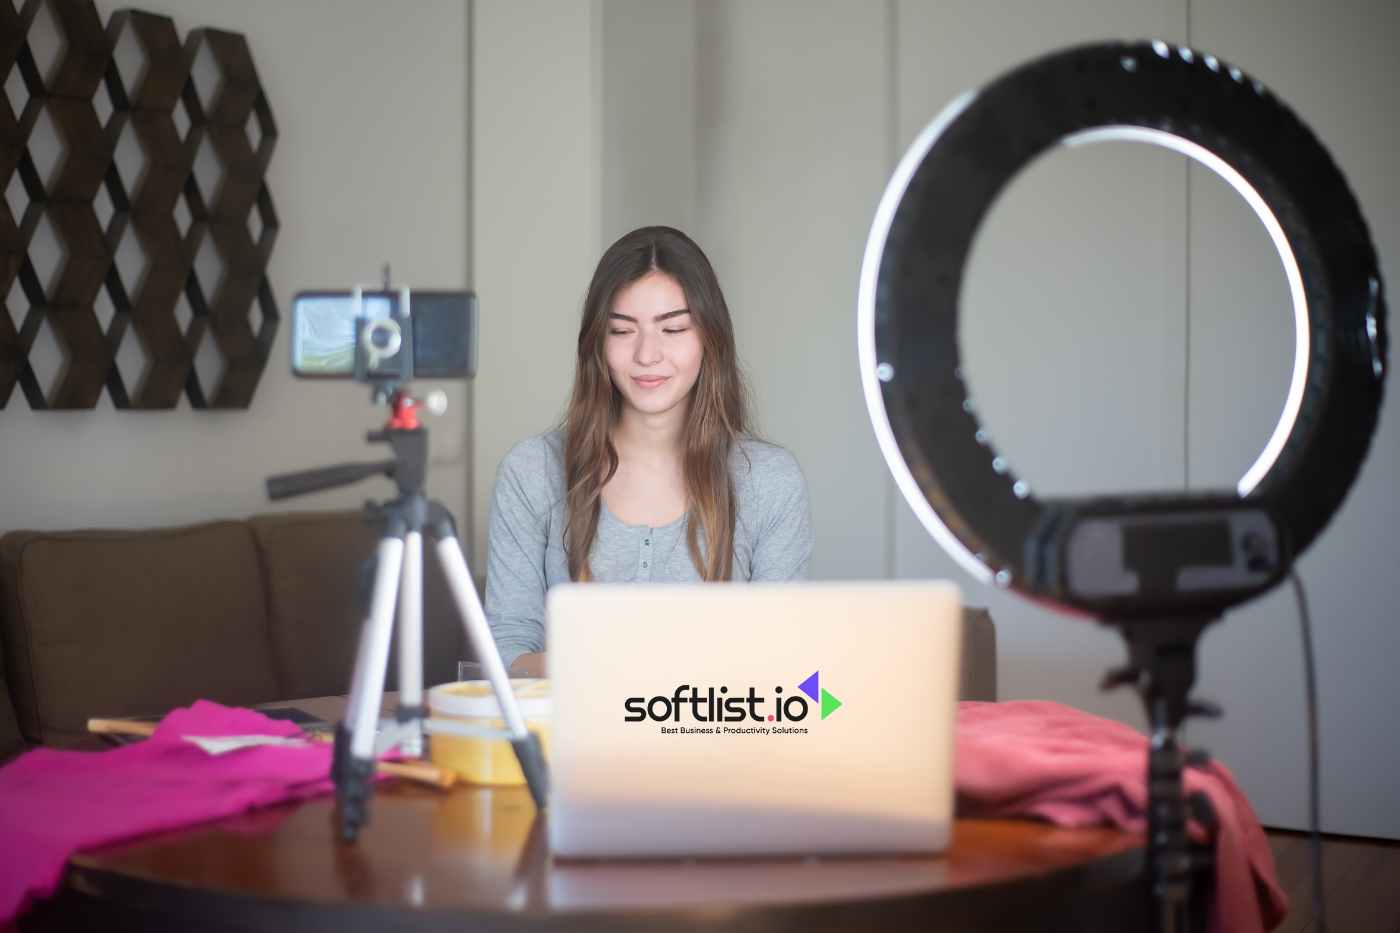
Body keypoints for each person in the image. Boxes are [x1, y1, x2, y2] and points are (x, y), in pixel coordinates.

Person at [484, 226, 812, 676]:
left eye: (673, 328)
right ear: (597, 343)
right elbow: (506, 655)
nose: (647, 354)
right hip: (570, 740)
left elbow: (782, 666)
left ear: (709, 339)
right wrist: (617, 667)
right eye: (622, 330)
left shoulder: (769, 480)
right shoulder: (532, 472)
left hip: (715, 736)